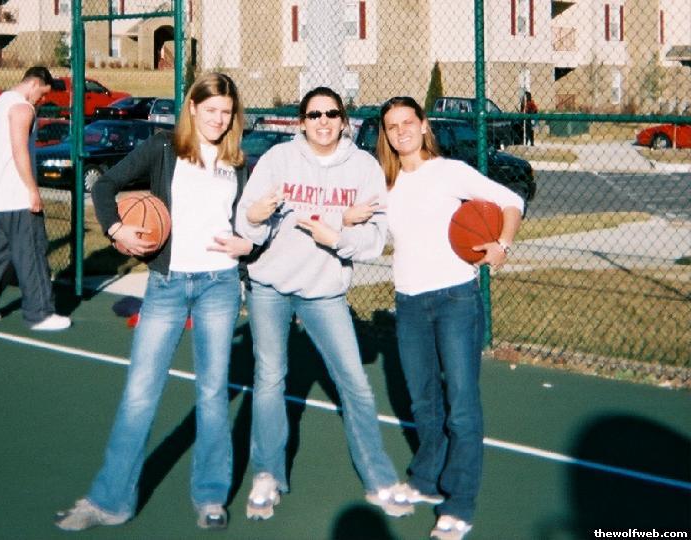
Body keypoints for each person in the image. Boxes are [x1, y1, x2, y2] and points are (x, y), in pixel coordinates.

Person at [54, 72, 253, 531]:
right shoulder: (164, 148)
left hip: (220, 285)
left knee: (212, 394)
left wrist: (248, 247)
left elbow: (248, 226)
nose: (218, 120)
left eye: (226, 113)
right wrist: (116, 229)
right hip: (167, 284)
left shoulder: (239, 162)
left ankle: (210, 496)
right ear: (192, 108)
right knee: (140, 392)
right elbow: (105, 186)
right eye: (210, 110)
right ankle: (110, 501)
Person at [235, 86, 413, 521]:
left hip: (325, 292)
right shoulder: (278, 160)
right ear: (301, 122)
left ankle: (378, 479)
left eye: (331, 114)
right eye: (314, 114)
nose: (323, 121)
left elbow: (374, 240)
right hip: (270, 285)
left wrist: (339, 235)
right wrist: (255, 217)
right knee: (270, 378)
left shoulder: (364, 168)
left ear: (344, 120)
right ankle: (267, 474)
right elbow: (249, 222)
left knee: (355, 383)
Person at [376, 96, 523, 540]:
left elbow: (511, 201)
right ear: (386, 134)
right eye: (392, 126)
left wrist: (502, 245)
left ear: (424, 125)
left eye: (408, 122)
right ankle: (426, 479)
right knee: (423, 402)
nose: (401, 131)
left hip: (456, 299)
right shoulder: (385, 183)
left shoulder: (449, 171)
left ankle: (459, 503)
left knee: (460, 405)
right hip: (409, 303)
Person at [0, 66, 70, 331]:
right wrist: (32, 190)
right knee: (32, 253)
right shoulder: (23, 108)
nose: (42, 100)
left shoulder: (0, 103)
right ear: (34, 84)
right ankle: (40, 314)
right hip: (17, 197)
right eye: (42, 94)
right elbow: (19, 150)